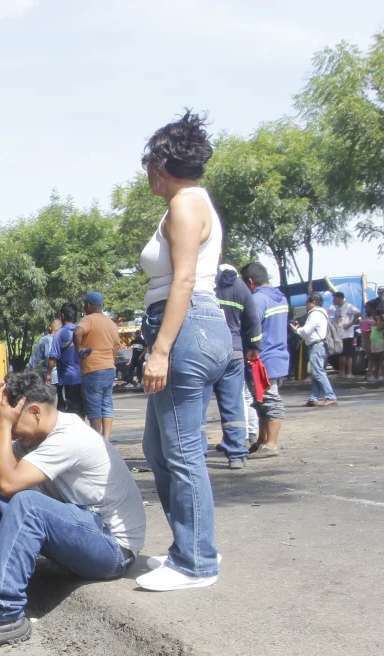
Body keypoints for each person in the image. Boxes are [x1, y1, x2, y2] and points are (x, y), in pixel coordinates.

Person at [0, 371, 145, 656]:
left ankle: (5, 614)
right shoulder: (34, 436)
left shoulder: (69, 435)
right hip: (81, 531)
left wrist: (5, 426)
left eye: (14, 422)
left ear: (34, 411)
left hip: (112, 549)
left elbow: (10, 484)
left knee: (26, 502)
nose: (13, 432)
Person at [134, 110, 232, 592]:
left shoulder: (186, 204)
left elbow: (186, 280)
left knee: (183, 451)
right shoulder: (190, 202)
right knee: (159, 446)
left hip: (186, 326)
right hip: (192, 324)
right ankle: (187, 549)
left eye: (149, 163)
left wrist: (161, 350)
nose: (146, 172)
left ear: (161, 163)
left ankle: (197, 562)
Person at [208, 264, 261, 470]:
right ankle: (237, 455)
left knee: (198, 404)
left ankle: (197, 453)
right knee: (234, 404)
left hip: (207, 350)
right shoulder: (240, 287)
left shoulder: (206, 282)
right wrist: (254, 346)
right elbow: (252, 319)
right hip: (234, 351)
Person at [240, 262, 289, 458]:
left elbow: (253, 329)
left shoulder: (258, 300)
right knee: (260, 401)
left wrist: (251, 348)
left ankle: (271, 444)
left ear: (250, 282)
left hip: (263, 359)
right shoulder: (280, 297)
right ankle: (262, 440)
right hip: (278, 356)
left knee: (270, 400)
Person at [72, 291, 120, 437]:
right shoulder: (110, 323)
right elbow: (115, 346)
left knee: (94, 405)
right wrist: (111, 361)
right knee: (107, 404)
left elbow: (77, 332)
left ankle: (97, 439)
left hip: (93, 368)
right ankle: (106, 438)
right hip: (109, 368)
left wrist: (79, 348)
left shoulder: (88, 320)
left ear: (88, 305)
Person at [292, 294, 336, 406]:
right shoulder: (321, 313)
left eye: (308, 302)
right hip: (318, 345)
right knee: (316, 372)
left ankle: (330, 396)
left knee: (318, 372)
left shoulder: (316, 314)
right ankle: (313, 398)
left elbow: (306, 330)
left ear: (314, 302)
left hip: (317, 345)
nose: (306, 305)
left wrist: (297, 330)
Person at [47, 304, 82, 413]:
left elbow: (53, 357)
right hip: (84, 376)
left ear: (62, 315)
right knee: (82, 406)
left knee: (72, 407)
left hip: (69, 378)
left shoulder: (60, 333)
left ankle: (75, 428)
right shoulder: (82, 331)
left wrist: (48, 374)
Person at [332, 292, 360, 377]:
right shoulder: (337, 308)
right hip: (339, 334)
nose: (334, 300)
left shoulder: (348, 306)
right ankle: (342, 372)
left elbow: (358, 313)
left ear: (340, 298)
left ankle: (350, 372)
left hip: (347, 334)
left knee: (348, 354)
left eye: (335, 298)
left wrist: (350, 324)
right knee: (341, 354)